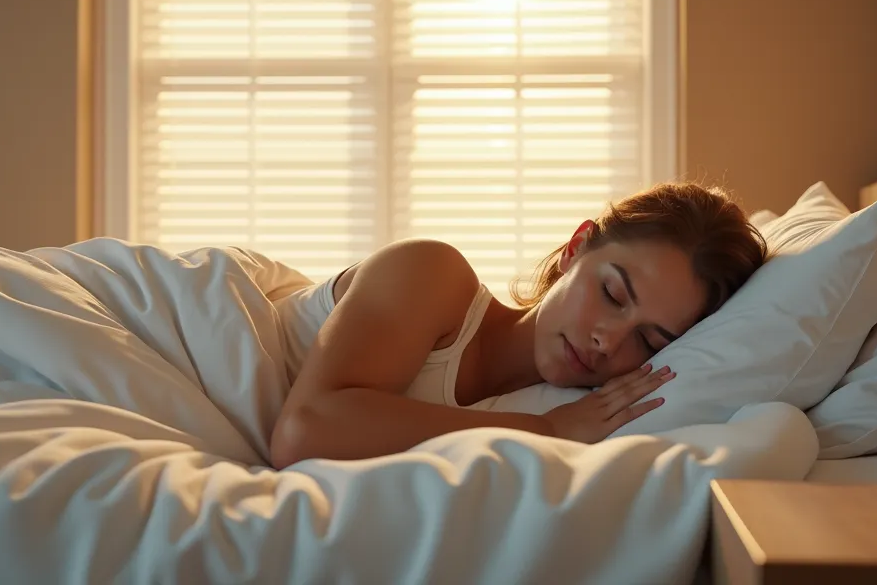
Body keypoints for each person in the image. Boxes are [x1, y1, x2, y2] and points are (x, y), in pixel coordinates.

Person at [269, 182, 768, 469]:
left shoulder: (584, 411)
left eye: (648, 339)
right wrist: (545, 429)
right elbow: (302, 433)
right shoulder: (433, 273)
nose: (608, 340)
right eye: (612, 293)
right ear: (577, 248)